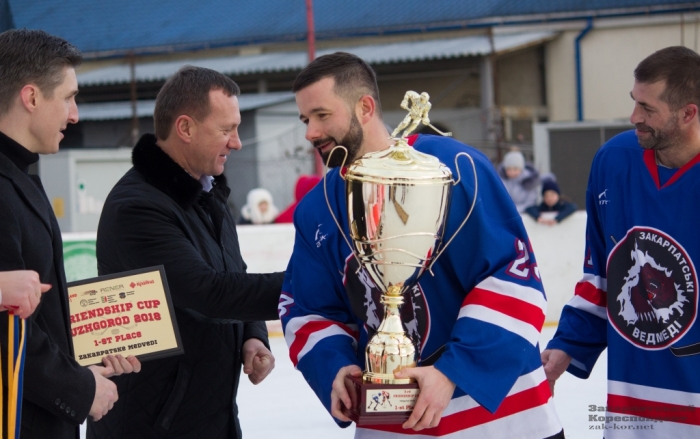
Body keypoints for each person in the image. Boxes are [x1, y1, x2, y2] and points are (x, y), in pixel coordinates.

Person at [280, 52, 563, 438]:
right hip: (392, 426)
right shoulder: (317, 208)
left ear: (365, 107)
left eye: (321, 115)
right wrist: (336, 368)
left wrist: (452, 372)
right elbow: (305, 307)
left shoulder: (454, 168)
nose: (310, 132)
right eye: (304, 120)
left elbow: (513, 278)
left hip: (504, 420)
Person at [89, 66, 284, 439]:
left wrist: (252, 335)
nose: (237, 142)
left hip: (211, 416)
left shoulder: (207, 193)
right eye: (226, 130)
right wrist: (314, 286)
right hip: (154, 425)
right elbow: (206, 292)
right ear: (186, 128)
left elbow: (234, 276)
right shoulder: (137, 207)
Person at [542, 46, 700, 437]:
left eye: (648, 109)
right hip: (632, 407)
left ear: (688, 113)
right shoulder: (614, 161)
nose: (634, 118)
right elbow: (601, 275)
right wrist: (566, 347)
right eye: (634, 103)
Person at [0, 29, 139, 439]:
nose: (74, 114)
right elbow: (7, 330)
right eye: (69, 97)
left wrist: (92, 344)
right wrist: (78, 388)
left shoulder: (18, 177)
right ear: (31, 98)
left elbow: (36, 310)